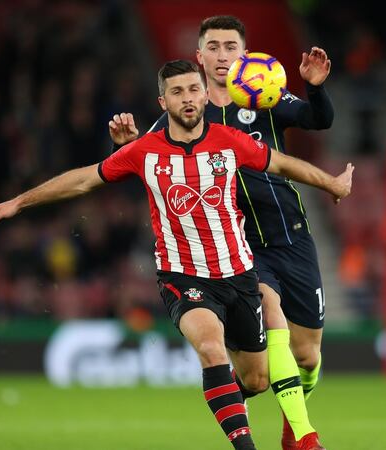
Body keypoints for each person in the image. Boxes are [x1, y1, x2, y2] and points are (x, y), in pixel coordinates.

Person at [0, 60, 351, 450]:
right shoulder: (144, 151)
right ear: (163, 101)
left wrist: (331, 184)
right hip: (184, 277)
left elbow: (281, 163)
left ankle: (223, 396)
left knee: (257, 379)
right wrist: (19, 202)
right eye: (177, 92)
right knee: (210, 346)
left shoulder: (229, 141)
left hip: (239, 274)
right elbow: (85, 179)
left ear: (206, 95)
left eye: (193, 90)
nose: (187, 99)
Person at [108, 16, 333, 448]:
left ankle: (275, 412)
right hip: (237, 243)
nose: (222, 55)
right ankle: (303, 436)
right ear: (200, 56)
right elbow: (140, 160)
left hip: (290, 233)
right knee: (271, 309)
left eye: (231, 46)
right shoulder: (185, 112)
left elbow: (316, 119)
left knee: (307, 356)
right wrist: (124, 145)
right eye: (213, 47)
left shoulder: (262, 94)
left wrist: (316, 87)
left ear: (243, 54)